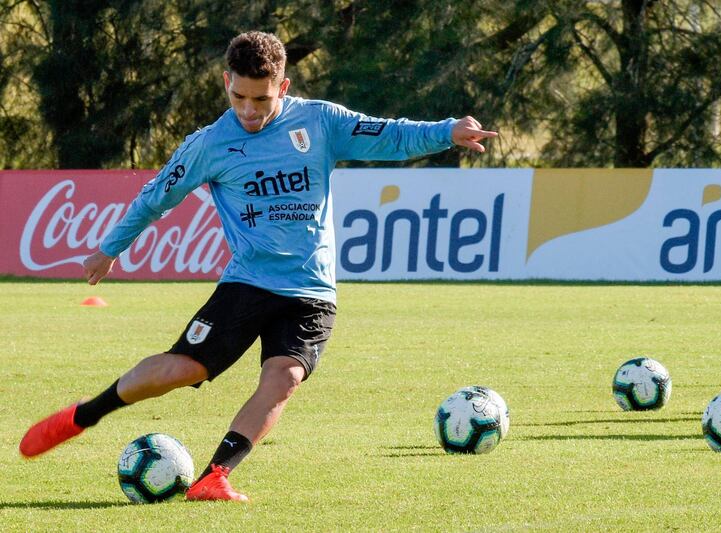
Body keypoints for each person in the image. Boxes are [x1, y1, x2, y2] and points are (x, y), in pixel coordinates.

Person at [19, 30, 497, 502]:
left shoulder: (320, 122)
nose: (248, 110)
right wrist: (110, 247)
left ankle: (215, 476)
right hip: (248, 283)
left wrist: (447, 131)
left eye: (261, 99)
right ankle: (86, 414)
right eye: (238, 96)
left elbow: (390, 135)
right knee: (181, 370)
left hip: (312, 290)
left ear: (283, 88)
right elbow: (156, 197)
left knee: (285, 378)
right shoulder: (209, 143)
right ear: (226, 81)